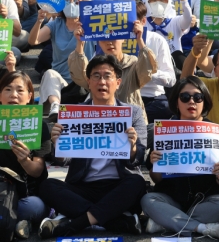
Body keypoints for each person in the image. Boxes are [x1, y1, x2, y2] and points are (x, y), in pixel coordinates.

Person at [38, 55, 148, 238]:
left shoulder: (133, 113)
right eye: (96, 76)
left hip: (117, 186)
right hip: (82, 187)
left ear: (118, 82)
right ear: (88, 82)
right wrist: (57, 144)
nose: (102, 81)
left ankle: (76, 223)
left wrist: (132, 147)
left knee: (137, 183)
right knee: (48, 186)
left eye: (107, 76)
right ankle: (115, 220)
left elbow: (139, 158)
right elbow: (62, 160)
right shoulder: (74, 114)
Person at [141, 77, 219, 239]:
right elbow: (157, 179)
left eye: (198, 97)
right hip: (171, 199)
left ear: (205, 102)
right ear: (177, 102)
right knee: (148, 200)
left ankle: (165, 222)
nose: (192, 101)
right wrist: (155, 165)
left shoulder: (216, 132)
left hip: (205, 200)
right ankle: (201, 228)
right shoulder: (164, 132)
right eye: (185, 97)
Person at [28, 0, 96, 118]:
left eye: (76, 1)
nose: (72, 4)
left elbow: (96, 14)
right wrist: (39, 21)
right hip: (61, 83)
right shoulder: (56, 24)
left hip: (84, 81)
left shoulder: (90, 23)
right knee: (49, 73)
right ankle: (55, 106)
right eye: (67, 0)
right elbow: (33, 41)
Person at [0, 71, 51, 240]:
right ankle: (16, 223)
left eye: (20, 90)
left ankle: (14, 219)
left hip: (23, 194)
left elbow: (37, 170)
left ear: (30, 96)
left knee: (35, 206)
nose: (13, 95)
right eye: (7, 89)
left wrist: (24, 160)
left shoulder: (38, 125)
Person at [68, 20, 156, 111]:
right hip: (101, 118)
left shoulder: (133, 63)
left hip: (131, 119)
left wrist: (140, 40)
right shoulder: (96, 66)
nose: (109, 42)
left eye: (113, 37)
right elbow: (79, 75)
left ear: (123, 38)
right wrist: (80, 42)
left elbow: (146, 71)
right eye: (103, 39)